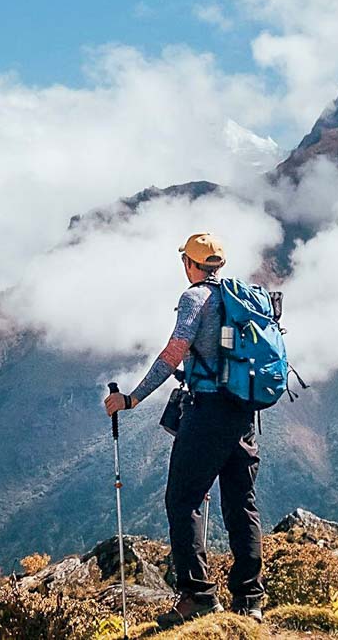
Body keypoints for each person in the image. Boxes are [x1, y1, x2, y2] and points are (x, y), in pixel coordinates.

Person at [104, 233, 265, 624]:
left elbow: (172, 353)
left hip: (207, 412)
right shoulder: (241, 298)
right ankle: (250, 601)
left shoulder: (195, 299)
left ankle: (198, 596)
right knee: (241, 503)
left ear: (190, 265)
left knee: (182, 500)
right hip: (243, 410)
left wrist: (133, 398)